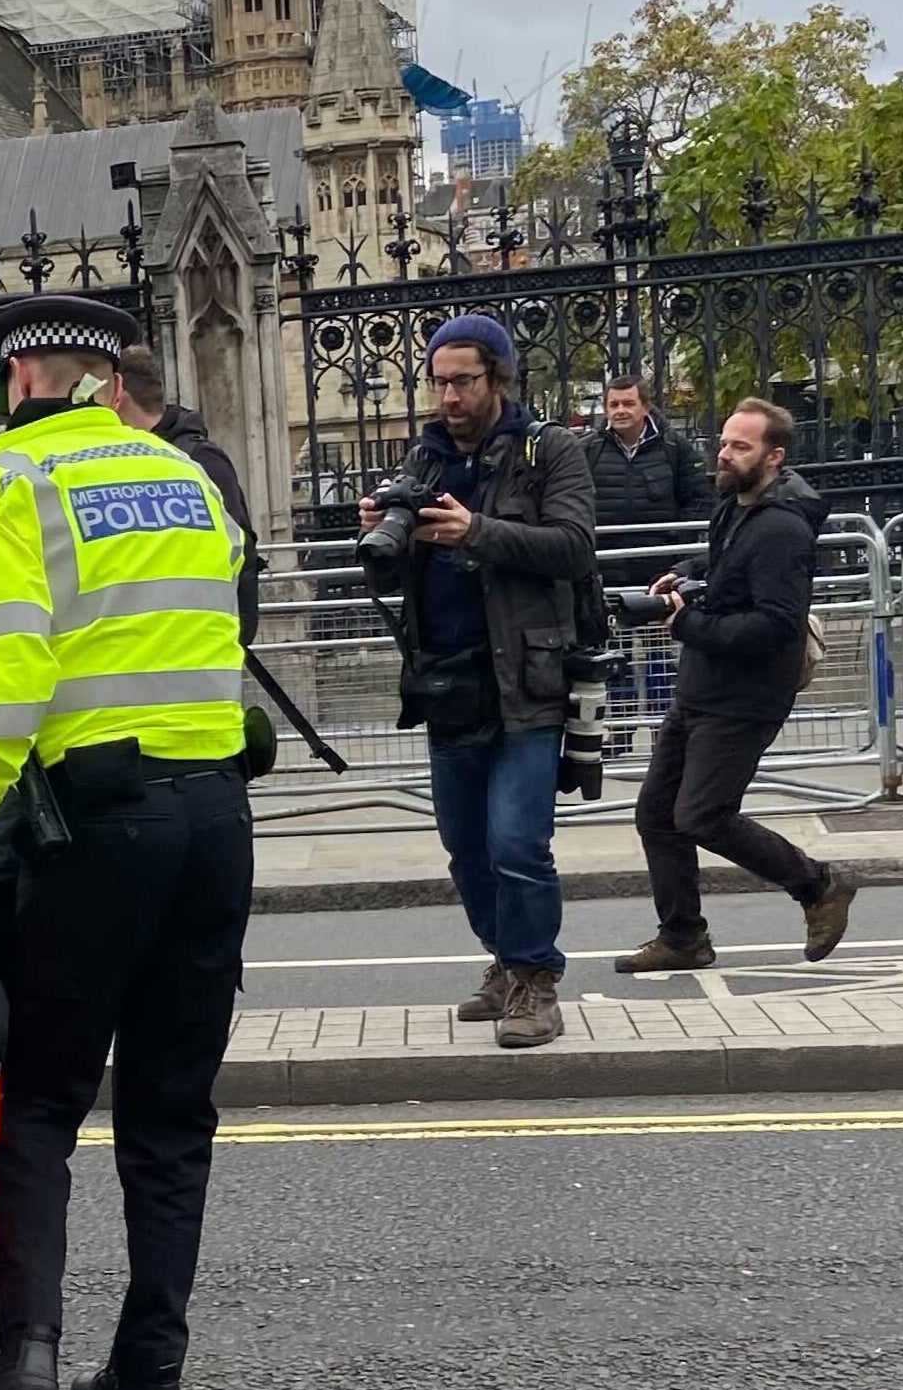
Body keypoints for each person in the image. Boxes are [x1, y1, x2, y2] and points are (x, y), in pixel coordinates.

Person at [0, 291, 252, 1390]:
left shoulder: (5, 486)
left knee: (45, 1102)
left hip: (92, 827)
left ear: (17, 381)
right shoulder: (192, 482)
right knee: (171, 1112)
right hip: (216, 817)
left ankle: (28, 1355)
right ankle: (150, 1374)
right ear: (112, 380)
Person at [357, 314, 601, 1051]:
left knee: (517, 842)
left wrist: (478, 532)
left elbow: (574, 547)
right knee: (465, 846)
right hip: (448, 688)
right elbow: (398, 572)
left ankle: (537, 978)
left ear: (498, 378)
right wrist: (379, 529)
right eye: (438, 382)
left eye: (463, 380)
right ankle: (504, 958)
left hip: (526, 682)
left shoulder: (547, 449)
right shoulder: (423, 463)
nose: (449, 396)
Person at [613, 399, 856, 976]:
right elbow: (729, 572)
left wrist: (686, 623)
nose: (724, 454)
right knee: (655, 815)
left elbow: (776, 623)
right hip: (701, 687)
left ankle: (817, 885)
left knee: (702, 814)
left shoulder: (782, 528)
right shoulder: (736, 507)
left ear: (774, 457)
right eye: (723, 442)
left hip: (745, 698)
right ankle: (683, 937)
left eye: (739, 446)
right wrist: (690, 574)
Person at [108, 338, 261, 633]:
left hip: (198, 641)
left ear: (118, 395)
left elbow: (238, 557)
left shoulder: (200, 460)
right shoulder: (118, 458)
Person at [581, 380, 703, 541]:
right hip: (604, 558)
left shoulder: (674, 446)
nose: (620, 411)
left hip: (660, 556)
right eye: (614, 405)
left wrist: (679, 547)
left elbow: (699, 499)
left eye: (628, 404)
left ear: (646, 407)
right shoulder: (588, 449)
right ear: (606, 410)